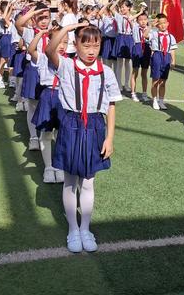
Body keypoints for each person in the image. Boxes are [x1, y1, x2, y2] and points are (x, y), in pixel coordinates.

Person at [46, 21, 122, 253]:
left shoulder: (106, 71)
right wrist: (69, 28)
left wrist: (109, 138)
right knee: (70, 181)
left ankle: (86, 228)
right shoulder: (67, 66)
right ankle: (73, 229)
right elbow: (50, 50)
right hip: (71, 124)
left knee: (88, 182)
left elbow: (110, 107)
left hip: (95, 127)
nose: (91, 50)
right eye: (85, 44)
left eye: (96, 45)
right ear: (75, 45)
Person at [28, 23, 66, 183]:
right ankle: (48, 167)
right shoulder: (43, 57)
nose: (62, 46)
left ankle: (59, 166)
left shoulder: (68, 60)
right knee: (46, 133)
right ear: (49, 42)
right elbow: (30, 50)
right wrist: (41, 33)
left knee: (61, 134)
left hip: (64, 98)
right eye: (59, 42)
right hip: (48, 95)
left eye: (66, 42)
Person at [16, 5, 51, 151]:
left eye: (46, 17)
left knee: (48, 103)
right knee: (32, 104)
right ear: (34, 19)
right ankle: (33, 137)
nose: (43, 21)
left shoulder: (52, 33)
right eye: (40, 18)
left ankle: (46, 132)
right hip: (33, 70)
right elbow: (18, 23)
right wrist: (34, 11)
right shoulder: (30, 32)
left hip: (49, 71)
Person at [149, 14, 177, 110]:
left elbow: (172, 49)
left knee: (163, 81)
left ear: (168, 23)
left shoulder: (171, 36)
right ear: (157, 25)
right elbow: (145, 35)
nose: (163, 25)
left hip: (166, 57)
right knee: (155, 80)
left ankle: (161, 101)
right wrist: (151, 26)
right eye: (160, 24)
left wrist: (173, 61)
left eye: (164, 23)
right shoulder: (154, 34)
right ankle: (154, 100)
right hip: (157, 55)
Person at [110, 0, 136, 92]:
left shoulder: (133, 17)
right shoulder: (118, 16)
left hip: (129, 38)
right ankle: (119, 84)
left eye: (124, 7)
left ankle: (126, 84)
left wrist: (131, 20)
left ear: (129, 8)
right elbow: (111, 8)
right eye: (121, 7)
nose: (122, 9)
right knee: (119, 63)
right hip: (120, 38)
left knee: (128, 63)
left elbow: (135, 30)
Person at [130, 12, 151, 102]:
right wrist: (140, 12)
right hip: (137, 47)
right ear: (137, 21)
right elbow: (130, 19)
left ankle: (144, 93)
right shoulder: (135, 27)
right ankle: (133, 93)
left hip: (146, 49)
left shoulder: (150, 29)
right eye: (140, 20)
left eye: (145, 19)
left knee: (144, 73)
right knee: (135, 72)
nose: (143, 22)